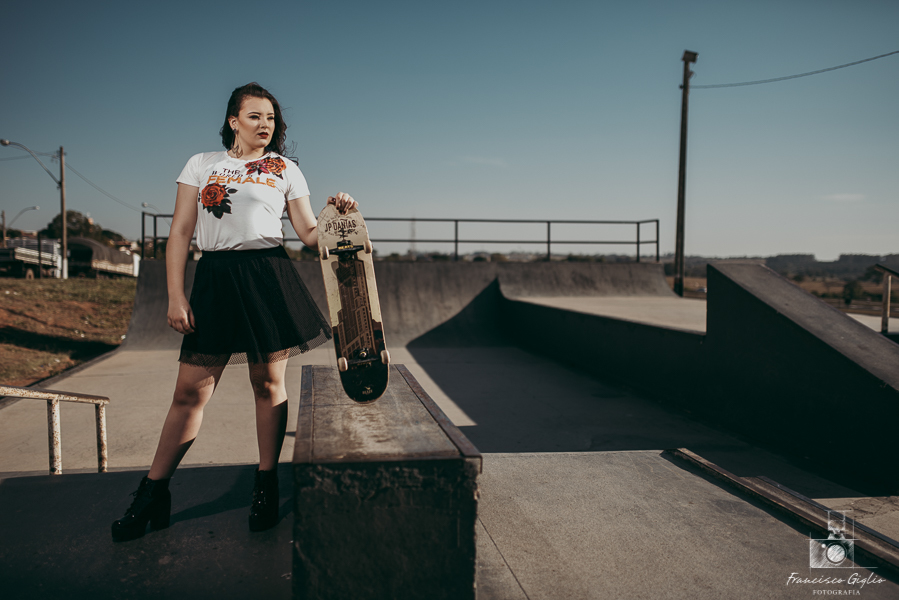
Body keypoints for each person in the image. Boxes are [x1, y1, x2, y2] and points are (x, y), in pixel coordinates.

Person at [111, 82, 355, 542]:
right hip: (215, 279)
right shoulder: (202, 164)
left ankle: (266, 483)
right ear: (233, 120)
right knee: (189, 393)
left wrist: (336, 215)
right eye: (255, 116)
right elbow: (180, 232)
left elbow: (308, 234)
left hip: (267, 276)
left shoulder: (285, 169)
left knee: (268, 385)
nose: (265, 125)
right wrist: (176, 295)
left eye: (271, 118)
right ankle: (153, 492)